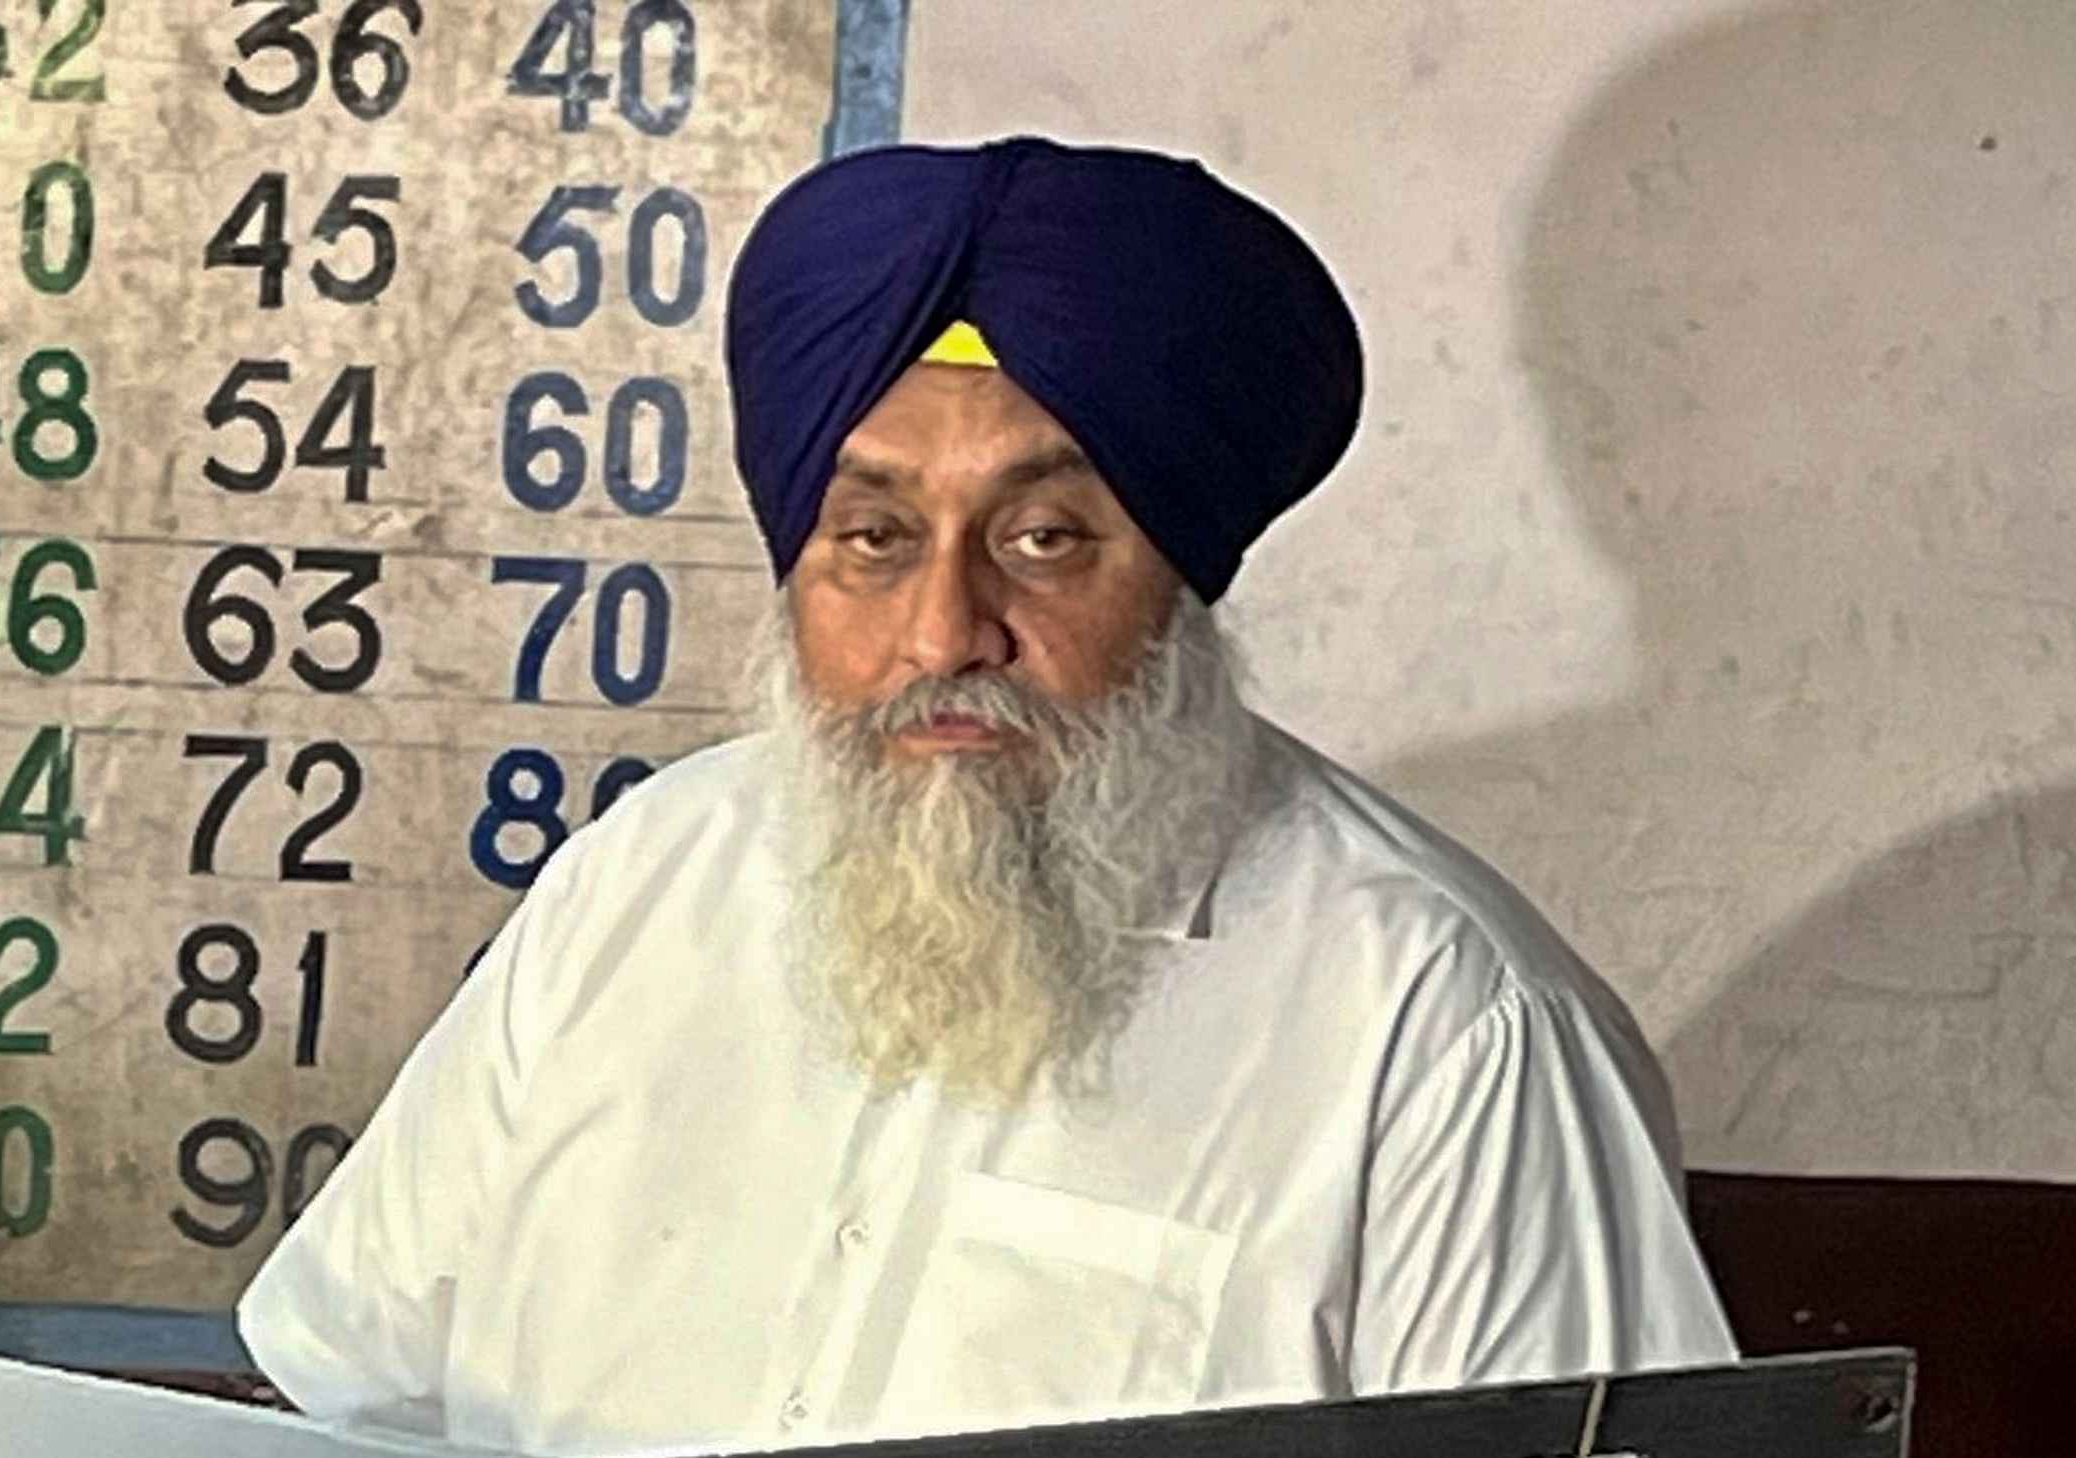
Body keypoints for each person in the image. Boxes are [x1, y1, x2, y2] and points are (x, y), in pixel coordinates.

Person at [236, 136, 1737, 1456]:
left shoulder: (1445, 1024)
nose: (945, 633)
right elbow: (349, 1397)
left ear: (1180, 584)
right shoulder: (636, 885)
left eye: (1041, 540)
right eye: (874, 537)